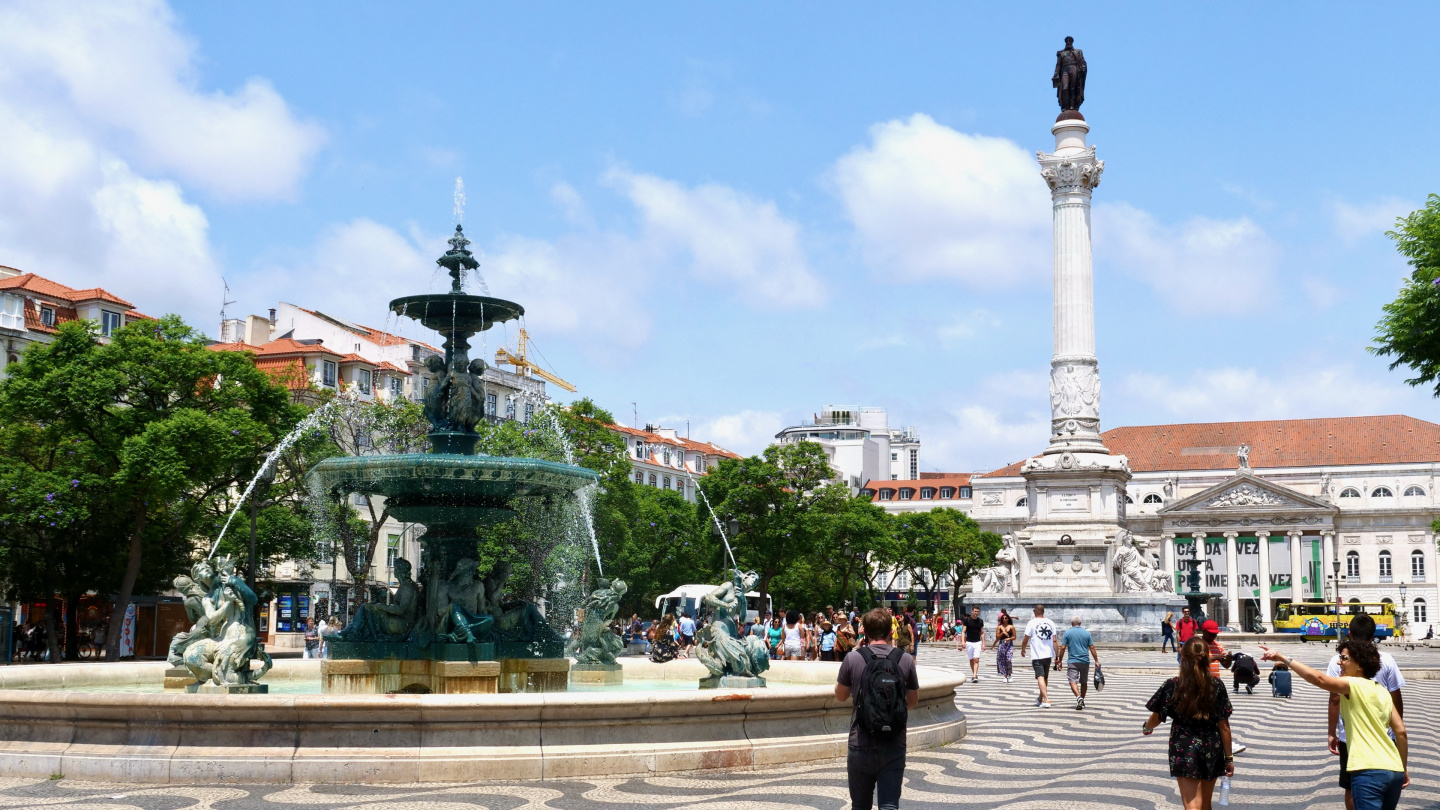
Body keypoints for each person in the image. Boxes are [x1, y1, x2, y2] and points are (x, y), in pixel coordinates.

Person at [1261, 641, 1409, 809]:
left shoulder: (1353, 685)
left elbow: (1318, 678)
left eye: (1344, 658)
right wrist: (1403, 768)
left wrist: (1282, 658)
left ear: (1359, 664)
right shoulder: (1382, 690)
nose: (1339, 662)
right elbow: (1401, 732)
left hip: (1369, 770)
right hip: (1394, 769)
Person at [835, 608, 919, 810]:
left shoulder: (853, 659)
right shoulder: (905, 659)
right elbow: (913, 700)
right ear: (891, 631)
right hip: (894, 742)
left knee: (860, 805)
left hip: (860, 740)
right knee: (889, 805)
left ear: (864, 631)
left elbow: (841, 696)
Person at [1323, 614, 1405, 810]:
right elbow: (1396, 697)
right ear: (1373, 636)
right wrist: (1394, 727)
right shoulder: (1386, 659)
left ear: (1349, 633)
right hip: (1386, 734)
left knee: (1352, 785)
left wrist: (1331, 732)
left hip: (1351, 736)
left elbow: (1334, 698)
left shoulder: (1340, 660)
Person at [1143, 638, 1235, 810]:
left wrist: (1147, 728)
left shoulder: (1173, 685)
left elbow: (1156, 716)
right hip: (1212, 746)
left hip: (1184, 746)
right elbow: (1224, 726)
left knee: (1192, 804)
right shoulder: (1217, 685)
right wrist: (1229, 758)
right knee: (1205, 804)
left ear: (1183, 658)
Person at [1199, 619, 1245, 754]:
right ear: (1203, 631)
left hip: (1215, 685)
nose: (1213, 636)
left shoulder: (1218, 646)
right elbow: (1196, 662)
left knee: (1218, 716)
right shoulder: (1197, 645)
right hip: (1199, 684)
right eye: (1210, 633)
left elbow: (1226, 666)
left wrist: (1228, 659)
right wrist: (1216, 657)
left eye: (1215, 634)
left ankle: (1224, 744)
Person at [1056, 616, 1098, 710]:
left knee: (1072, 680)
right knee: (1084, 682)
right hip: (1085, 661)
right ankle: (1082, 700)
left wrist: (1060, 660)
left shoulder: (1067, 633)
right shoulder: (1087, 633)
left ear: (1071, 623)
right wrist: (1096, 660)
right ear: (1080, 623)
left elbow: (1063, 647)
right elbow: (1091, 647)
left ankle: (1078, 697)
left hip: (1073, 661)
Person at [1019, 605, 1057, 708]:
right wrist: (1056, 655)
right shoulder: (1051, 623)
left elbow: (1026, 638)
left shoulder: (1031, 623)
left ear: (1035, 611)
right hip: (1048, 655)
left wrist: (1023, 649)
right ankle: (1040, 698)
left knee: (1040, 677)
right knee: (1045, 677)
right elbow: (1054, 640)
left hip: (1037, 655)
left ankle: (1047, 700)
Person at [958, 606, 985, 683]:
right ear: (972, 611)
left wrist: (983, 644)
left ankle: (975, 675)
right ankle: (974, 673)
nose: (976, 613)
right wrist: (963, 642)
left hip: (977, 642)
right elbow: (963, 631)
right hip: (969, 642)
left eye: (977, 611)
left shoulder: (980, 621)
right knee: (971, 659)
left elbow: (982, 632)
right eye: (975, 611)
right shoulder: (967, 620)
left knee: (976, 659)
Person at [994, 613, 1015, 683]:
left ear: (1008, 619)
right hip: (1002, 644)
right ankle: (1005, 675)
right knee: (1002, 660)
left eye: (1006, 618)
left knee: (1008, 660)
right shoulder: (999, 627)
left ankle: (1009, 675)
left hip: (1009, 644)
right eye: (1003, 618)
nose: (1004, 619)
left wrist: (1009, 639)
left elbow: (1014, 637)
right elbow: (997, 637)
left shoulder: (1011, 627)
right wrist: (1003, 633)